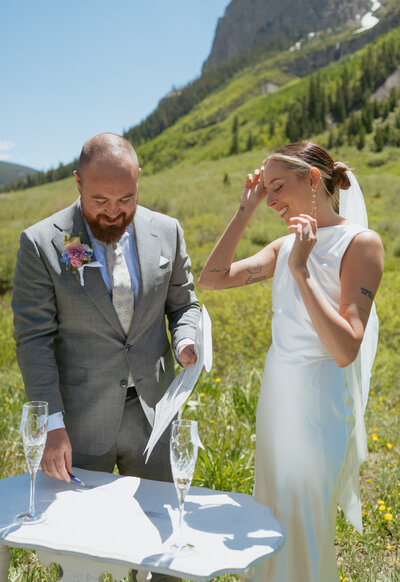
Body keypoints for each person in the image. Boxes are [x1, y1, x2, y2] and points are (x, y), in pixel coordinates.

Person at [197, 141, 383, 582]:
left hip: (317, 408)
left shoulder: (360, 244)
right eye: (266, 190)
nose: (272, 200)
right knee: (270, 515)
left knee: (303, 523)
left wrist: (300, 270)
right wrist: (245, 208)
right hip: (276, 400)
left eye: (277, 187)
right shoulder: (282, 246)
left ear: (313, 179)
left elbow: (345, 349)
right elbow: (212, 279)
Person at [12, 132, 200, 485]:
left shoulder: (168, 231)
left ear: (139, 177)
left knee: (154, 526)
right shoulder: (40, 244)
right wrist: (52, 425)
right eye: (100, 200)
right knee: (73, 533)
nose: (114, 211)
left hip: (153, 417)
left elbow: (183, 304)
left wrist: (185, 340)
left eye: (126, 198)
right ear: (78, 182)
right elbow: (34, 340)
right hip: (78, 423)